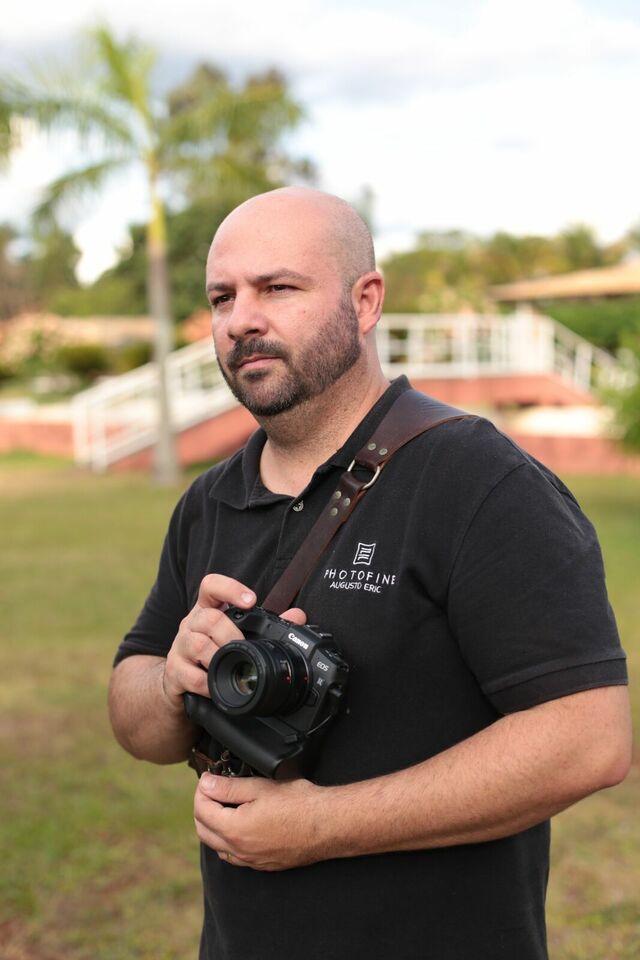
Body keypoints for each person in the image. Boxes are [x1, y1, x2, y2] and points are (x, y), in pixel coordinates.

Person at [109, 187, 631, 960]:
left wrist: (321, 826)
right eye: (223, 297)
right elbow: (138, 721)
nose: (241, 318)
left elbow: (590, 738)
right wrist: (171, 679)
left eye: (278, 287)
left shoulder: (477, 480)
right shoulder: (210, 500)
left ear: (366, 301)